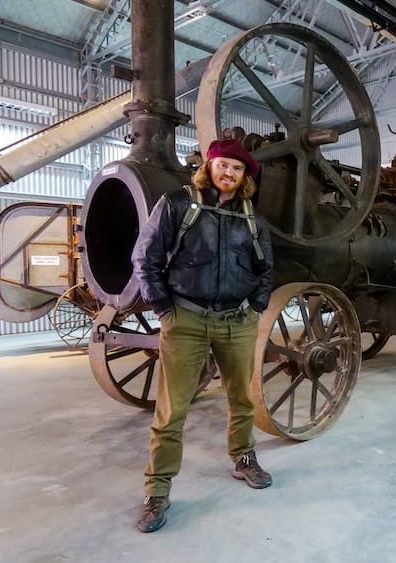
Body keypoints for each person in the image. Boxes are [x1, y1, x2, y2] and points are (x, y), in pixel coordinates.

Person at [131, 138, 274, 533]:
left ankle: (243, 458)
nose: (228, 173)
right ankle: (157, 490)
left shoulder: (251, 218)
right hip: (187, 320)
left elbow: (266, 271)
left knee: (242, 397)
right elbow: (146, 257)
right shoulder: (178, 204)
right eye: (223, 165)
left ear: (245, 177)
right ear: (209, 166)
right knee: (171, 410)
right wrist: (162, 307)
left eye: (237, 168)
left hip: (237, 321)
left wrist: (256, 307)